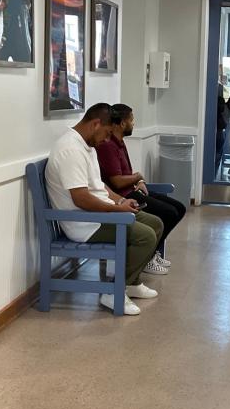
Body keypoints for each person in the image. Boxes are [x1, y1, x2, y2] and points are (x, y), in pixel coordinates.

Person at [45, 103, 163, 316]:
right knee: (145, 236)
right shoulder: (70, 150)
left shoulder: (86, 145)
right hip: (84, 223)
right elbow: (80, 198)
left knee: (156, 224)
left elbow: (99, 186)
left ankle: (132, 283)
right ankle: (114, 291)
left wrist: (119, 202)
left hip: (99, 215)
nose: (107, 139)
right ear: (96, 124)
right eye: (107, 133)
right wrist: (117, 212)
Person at [97, 103, 186, 276]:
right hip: (125, 195)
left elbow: (127, 175)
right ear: (122, 123)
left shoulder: (120, 143)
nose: (134, 123)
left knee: (179, 208)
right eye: (132, 120)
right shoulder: (108, 146)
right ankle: (148, 257)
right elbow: (117, 182)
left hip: (133, 190)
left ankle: (152, 253)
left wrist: (140, 180)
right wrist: (137, 177)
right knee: (168, 213)